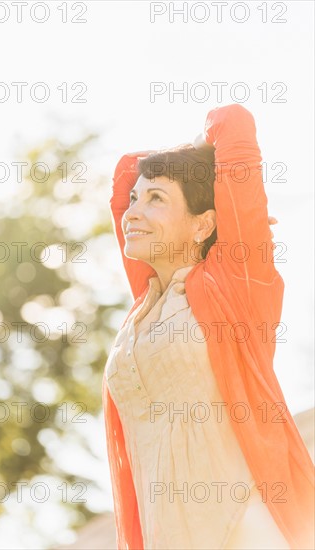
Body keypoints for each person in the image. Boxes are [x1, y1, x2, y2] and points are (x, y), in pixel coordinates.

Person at [102, 104, 314, 550]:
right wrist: (162, 176)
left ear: (204, 224)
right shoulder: (143, 308)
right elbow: (125, 172)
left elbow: (231, 122)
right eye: (136, 200)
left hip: (246, 528)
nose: (133, 211)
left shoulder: (232, 283)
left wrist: (197, 162)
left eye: (156, 198)